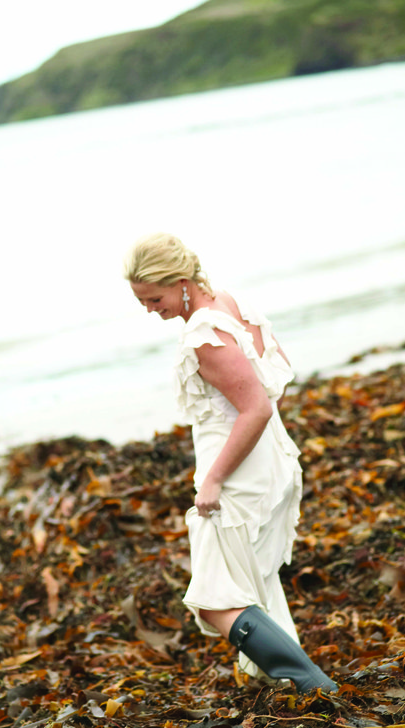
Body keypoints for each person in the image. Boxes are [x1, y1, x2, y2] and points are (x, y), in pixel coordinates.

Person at [123, 232, 337, 694]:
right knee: (254, 582)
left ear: (181, 282)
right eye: (141, 300)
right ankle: (285, 686)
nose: (149, 309)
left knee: (215, 599)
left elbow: (254, 407)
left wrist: (213, 481)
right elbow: (277, 371)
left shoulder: (203, 334)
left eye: (153, 298)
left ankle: (309, 683)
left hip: (239, 473)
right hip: (271, 458)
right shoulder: (229, 303)